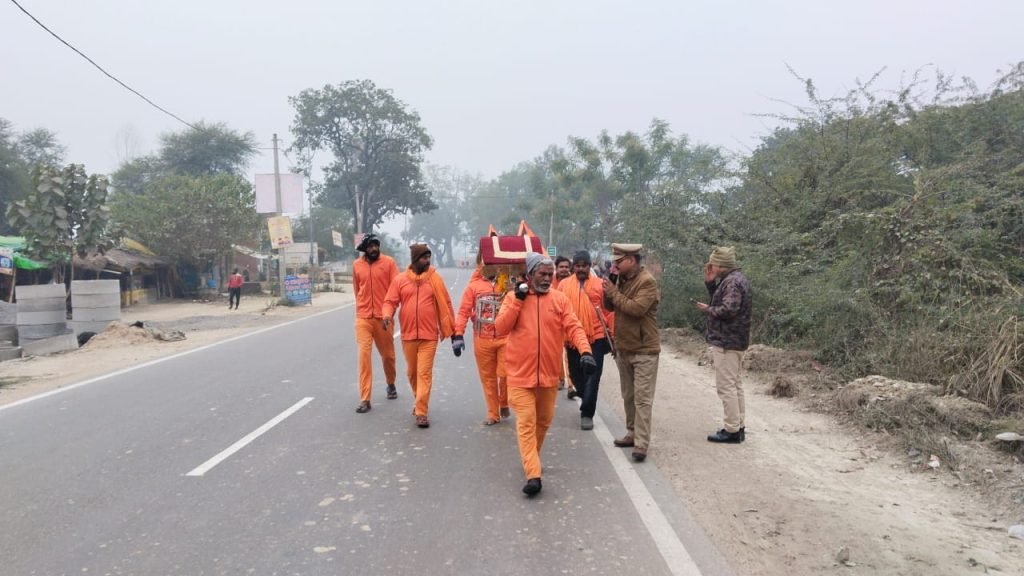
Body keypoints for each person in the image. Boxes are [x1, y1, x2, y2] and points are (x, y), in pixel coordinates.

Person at [495, 252, 594, 497]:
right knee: (526, 423)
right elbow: (499, 329)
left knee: (543, 421)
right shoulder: (512, 298)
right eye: (542, 274)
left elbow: (574, 326)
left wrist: (585, 351)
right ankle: (533, 475)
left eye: (550, 274)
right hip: (519, 376)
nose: (548, 278)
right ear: (529, 275)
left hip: (549, 377)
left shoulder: (559, 300)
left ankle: (531, 460)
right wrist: (517, 301)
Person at [382, 243, 456, 429]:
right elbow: (390, 301)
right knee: (412, 373)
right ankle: (419, 400)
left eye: (428, 257)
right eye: (424, 257)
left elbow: (446, 303)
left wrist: (453, 329)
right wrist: (386, 315)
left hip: (429, 335)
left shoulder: (435, 279)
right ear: (415, 260)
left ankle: (422, 412)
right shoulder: (400, 280)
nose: (427, 261)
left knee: (424, 373)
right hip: (408, 335)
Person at [602, 243, 660, 462]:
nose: (615, 265)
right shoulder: (621, 280)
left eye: (619, 261)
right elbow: (609, 307)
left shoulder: (647, 282)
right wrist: (609, 289)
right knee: (628, 395)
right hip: (624, 346)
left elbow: (636, 309)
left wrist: (614, 293)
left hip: (645, 349)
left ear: (632, 260)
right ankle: (632, 432)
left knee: (643, 399)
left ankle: (642, 443)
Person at [696, 246, 752, 444]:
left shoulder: (733, 282)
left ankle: (732, 430)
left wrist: (708, 310)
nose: (711, 266)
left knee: (726, 386)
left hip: (728, 341)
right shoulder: (734, 280)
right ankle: (738, 425)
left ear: (722, 264)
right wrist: (711, 285)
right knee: (735, 385)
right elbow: (726, 302)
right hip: (735, 340)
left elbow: (729, 309)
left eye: (714, 263)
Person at [559, 250, 614, 431]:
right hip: (572, 337)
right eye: (578, 265)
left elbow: (609, 312)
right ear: (573, 267)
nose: (581, 268)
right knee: (576, 376)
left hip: (596, 338)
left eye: (584, 265)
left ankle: (587, 413)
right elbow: (557, 310)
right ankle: (583, 394)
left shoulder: (600, 284)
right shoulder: (563, 285)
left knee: (593, 376)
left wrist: (613, 336)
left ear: (590, 266)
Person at [453, 261, 510, 425]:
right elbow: (463, 311)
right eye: (487, 264)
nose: (492, 266)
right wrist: (458, 334)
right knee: (488, 378)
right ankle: (493, 413)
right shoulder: (473, 287)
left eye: (495, 263)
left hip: (505, 337)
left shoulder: (506, 283)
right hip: (482, 338)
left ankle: (504, 401)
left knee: (505, 374)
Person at [352, 233, 400, 414]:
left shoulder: (389, 263)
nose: (373, 248)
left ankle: (391, 383)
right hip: (363, 318)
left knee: (388, 356)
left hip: (383, 318)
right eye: (370, 246)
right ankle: (365, 398)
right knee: (364, 357)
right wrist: (362, 308)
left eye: (375, 245)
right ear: (365, 249)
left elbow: (396, 289)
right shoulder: (357, 265)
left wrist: (390, 312)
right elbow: (357, 290)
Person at [552, 254, 573, 394]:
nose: (564, 269)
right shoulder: (550, 280)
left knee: (569, 354)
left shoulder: (574, 281)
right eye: (561, 267)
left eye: (566, 267)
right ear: (556, 268)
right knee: (556, 352)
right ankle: (560, 379)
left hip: (571, 320)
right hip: (554, 321)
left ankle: (571, 385)